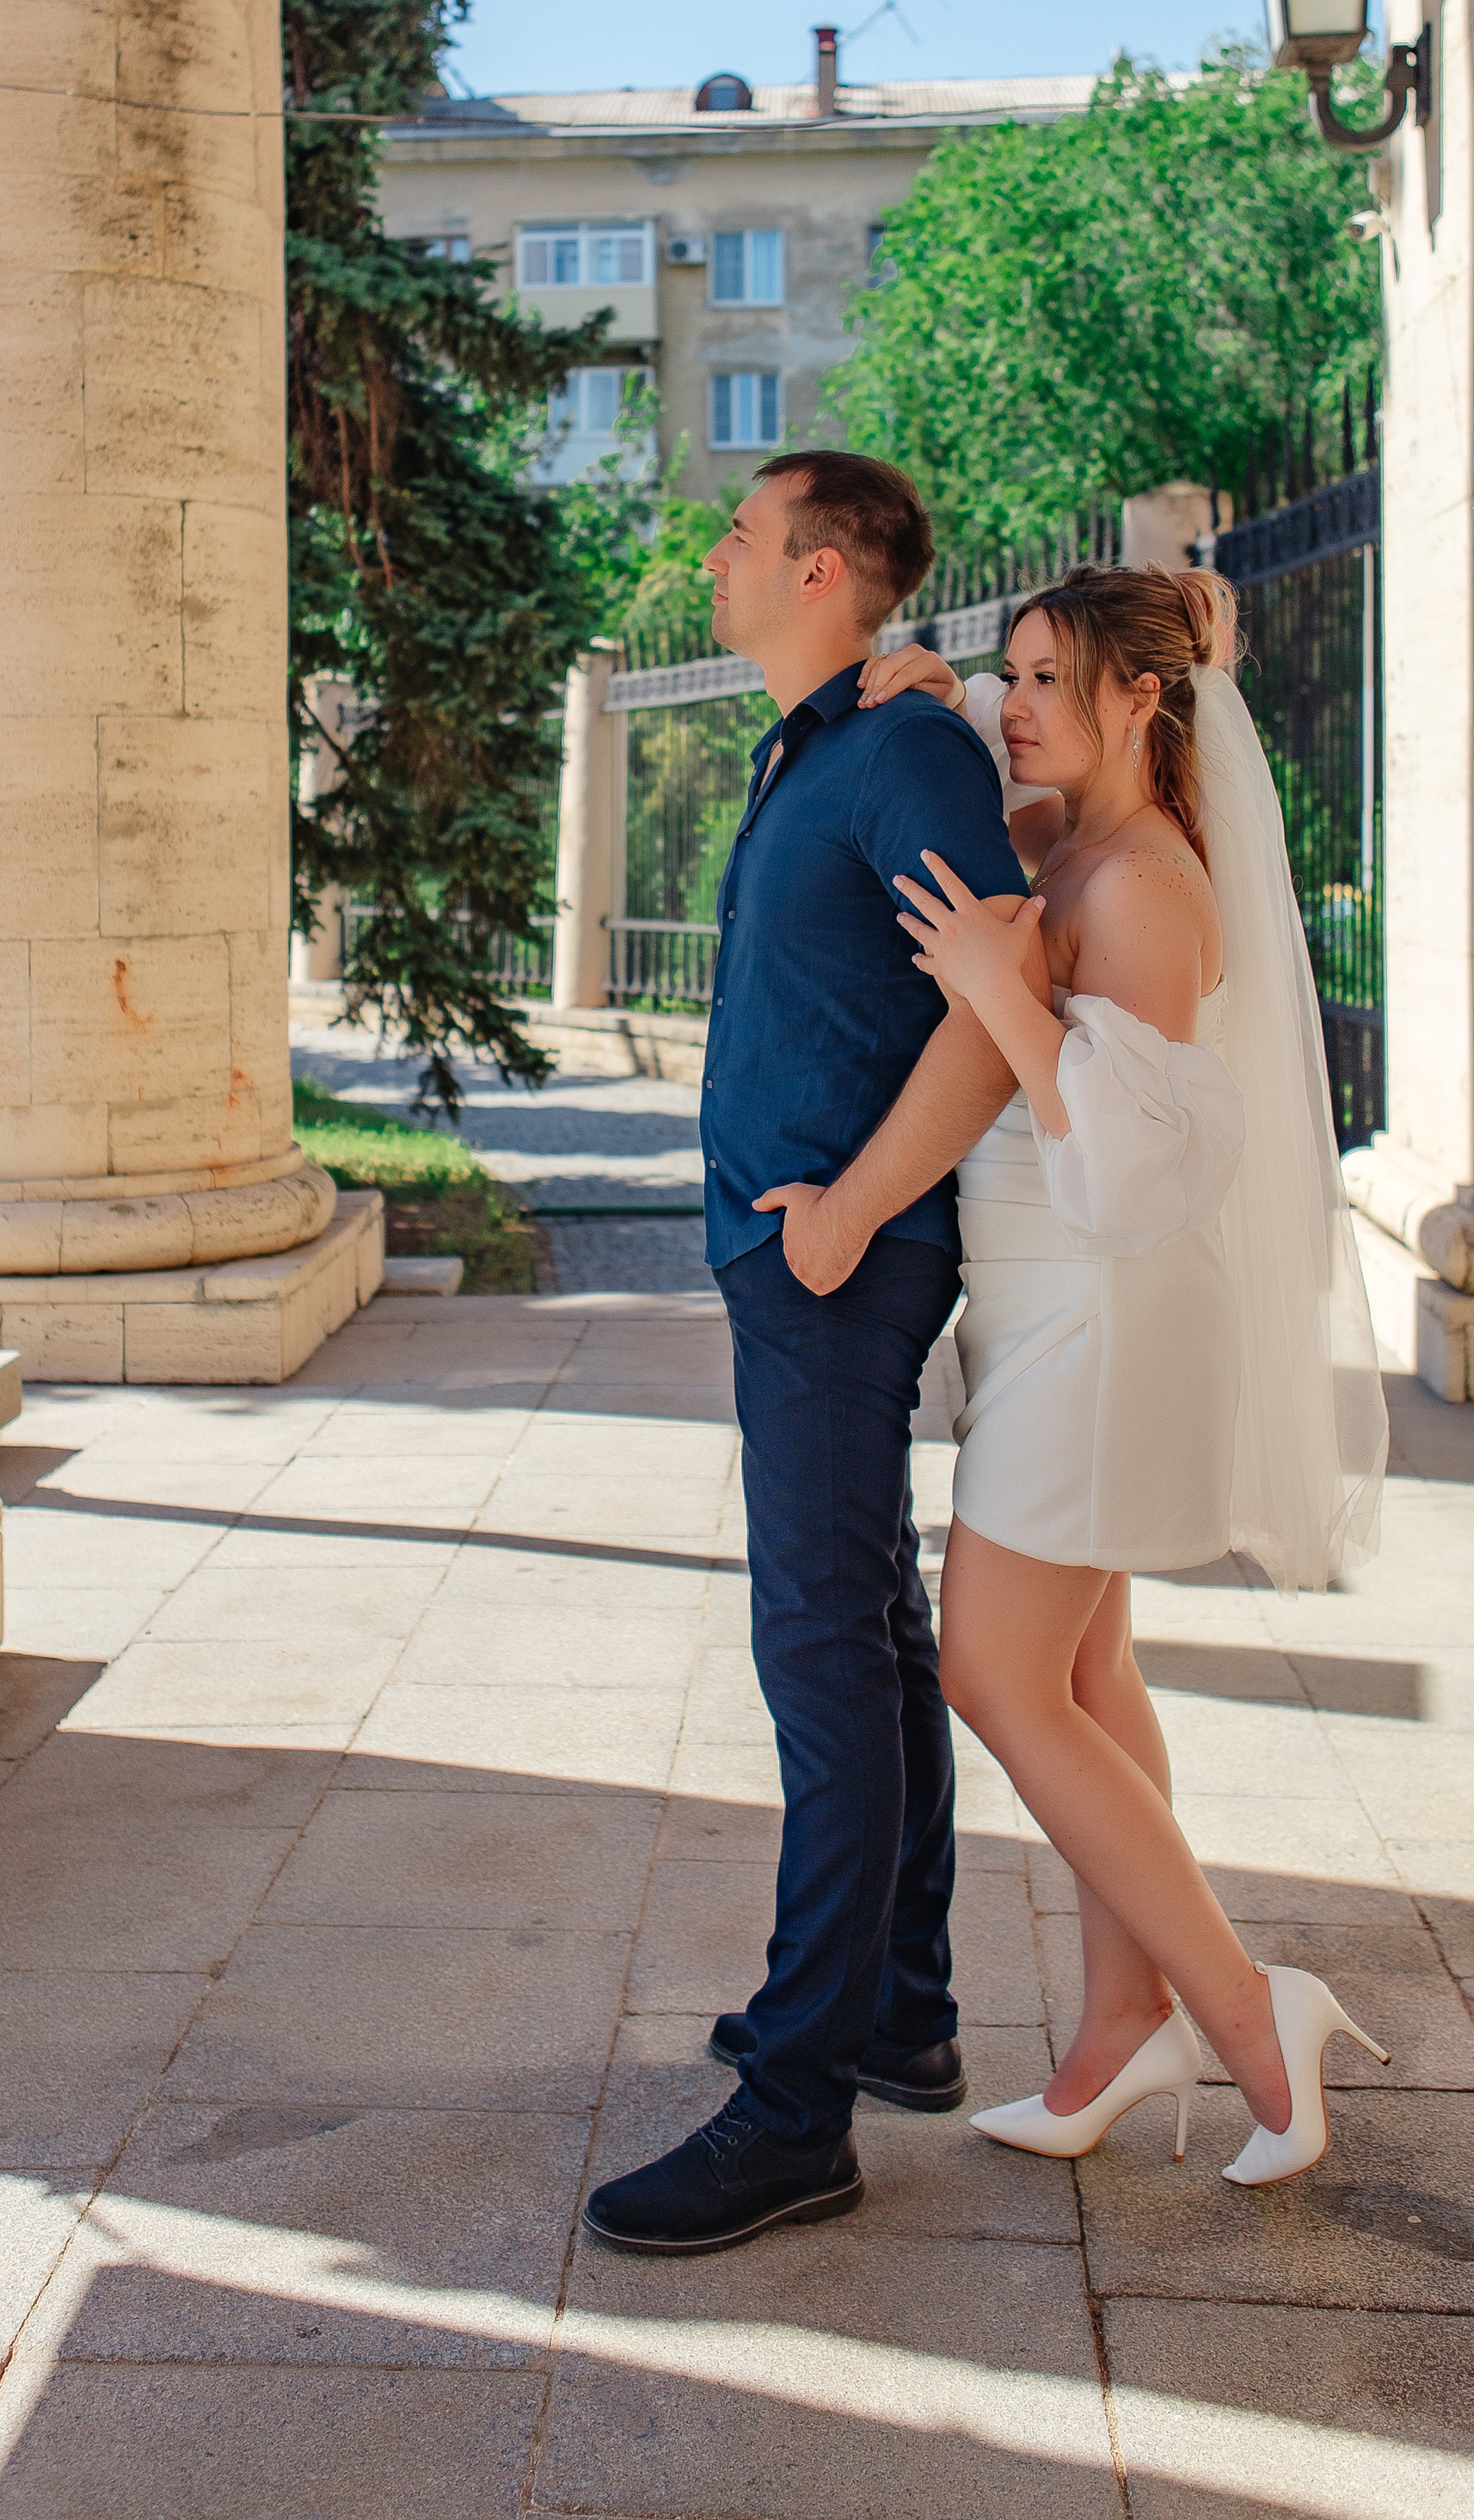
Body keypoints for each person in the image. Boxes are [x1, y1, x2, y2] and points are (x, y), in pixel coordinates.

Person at [869, 567, 1390, 2187]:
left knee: (995, 1673)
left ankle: (1248, 2014)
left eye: (1048, 679)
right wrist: (941, 687)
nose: (1018, 705)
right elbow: (1004, 769)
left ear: (1141, 700)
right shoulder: (1075, 841)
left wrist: (999, 996)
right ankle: (1115, 2031)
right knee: (1089, 1678)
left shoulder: (1149, 882)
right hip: (1049, 1313)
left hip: (1104, 1315)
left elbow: (1144, 1173)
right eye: (1013, 673)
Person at [580, 452, 1027, 2257]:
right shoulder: (832, 737)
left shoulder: (907, 749)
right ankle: (896, 2011)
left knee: (818, 1652)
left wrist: (843, 1214)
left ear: (823, 568)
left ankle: (795, 2113)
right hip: (801, 1257)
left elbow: (1001, 1006)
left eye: (743, 535)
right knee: (872, 1628)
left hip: (841, 1263)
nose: (715, 556)